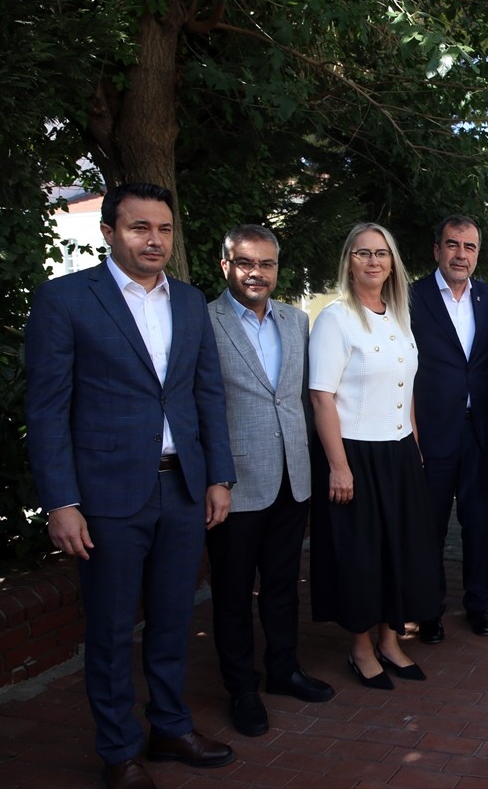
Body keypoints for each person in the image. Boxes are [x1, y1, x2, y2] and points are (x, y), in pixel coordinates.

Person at [25, 182, 237, 789]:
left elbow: (207, 396)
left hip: (182, 490)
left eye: (164, 229)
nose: (155, 240)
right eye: (141, 228)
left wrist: (219, 476)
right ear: (109, 232)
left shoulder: (191, 302)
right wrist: (61, 501)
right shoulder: (66, 300)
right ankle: (119, 751)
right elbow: (47, 411)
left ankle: (169, 727)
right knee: (113, 630)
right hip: (108, 497)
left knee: (173, 620)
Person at [206, 224, 333, 738]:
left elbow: (302, 397)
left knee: (282, 585)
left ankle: (283, 669)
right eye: (245, 263)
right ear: (226, 267)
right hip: (235, 482)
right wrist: (215, 475)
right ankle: (240, 687)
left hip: (291, 478)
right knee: (234, 591)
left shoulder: (296, 320)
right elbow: (203, 404)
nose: (257, 273)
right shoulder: (203, 320)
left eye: (267, 264)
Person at [309, 223, 440, 689]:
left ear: (393, 262)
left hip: (400, 451)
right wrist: (339, 466)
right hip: (356, 454)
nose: (373, 261)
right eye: (363, 253)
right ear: (349, 261)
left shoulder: (398, 315)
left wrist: (417, 447)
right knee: (361, 558)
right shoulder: (335, 318)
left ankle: (390, 642)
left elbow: (406, 390)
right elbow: (321, 396)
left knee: (399, 552)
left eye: (381, 253)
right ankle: (361, 650)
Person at [410, 214, 488, 641]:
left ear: (477, 254)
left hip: (478, 432)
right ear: (437, 250)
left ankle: (477, 605)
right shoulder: (411, 298)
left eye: (469, 247)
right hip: (431, 433)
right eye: (452, 245)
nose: (460, 254)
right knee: (430, 527)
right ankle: (429, 611)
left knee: (479, 524)